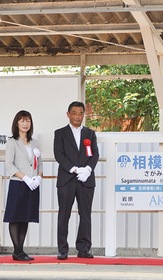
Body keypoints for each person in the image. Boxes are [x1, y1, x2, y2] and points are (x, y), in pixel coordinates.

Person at [54, 101, 99, 260]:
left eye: (80, 113)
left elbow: (94, 154)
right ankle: (62, 249)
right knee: (64, 214)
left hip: (86, 180)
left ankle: (84, 249)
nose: (77, 116)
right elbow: (59, 155)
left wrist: (87, 170)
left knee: (85, 214)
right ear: (68, 114)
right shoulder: (60, 133)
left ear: (83, 115)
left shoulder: (90, 133)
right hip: (67, 179)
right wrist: (74, 169)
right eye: (74, 113)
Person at [4, 110, 43, 261]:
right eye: (22, 121)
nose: (25, 124)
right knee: (15, 217)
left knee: (25, 217)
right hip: (18, 184)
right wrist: (25, 177)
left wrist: (38, 177)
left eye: (28, 121)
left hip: (33, 185)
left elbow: (40, 163)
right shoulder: (12, 142)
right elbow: (9, 164)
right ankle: (18, 251)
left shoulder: (34, 142)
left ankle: (20, 251)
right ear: (17, 123)